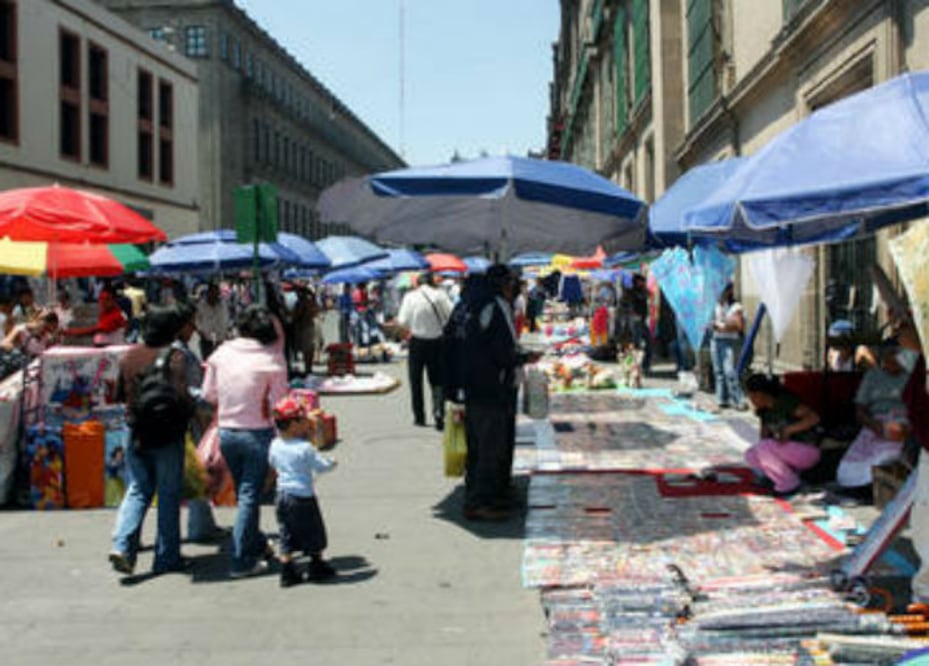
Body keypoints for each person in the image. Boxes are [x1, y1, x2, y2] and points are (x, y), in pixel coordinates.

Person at [201, 304, 289, 578]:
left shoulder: (221, 353)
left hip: (227, 432)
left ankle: (257, 544)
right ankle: (240, 561)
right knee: (250, 497)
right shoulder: (272, 360)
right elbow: (280, 404)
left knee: (244, 494)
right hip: (257, 433)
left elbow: (208, 394)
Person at [109, 305, 193, 575]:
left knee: (138, 488)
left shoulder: (129, 356)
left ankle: (122, 545)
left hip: (135, 430)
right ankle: (167, 557)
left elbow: (119, 395)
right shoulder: (176, 356)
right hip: (168, 434)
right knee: (168, 495)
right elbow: (181, 395)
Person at [463, 265, 539, 520]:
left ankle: (494, 493)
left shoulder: (477, 304)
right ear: (504, 285)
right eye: (512, 283)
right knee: (488, 447)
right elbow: (500, 352)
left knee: (487, 445)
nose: (514, 288)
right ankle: (479, 502)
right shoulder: (492, 307)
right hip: (489, 388)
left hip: (479, 386)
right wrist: (524, 357)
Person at [268, 396, 337, 587]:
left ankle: (287, 570)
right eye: (303, 419)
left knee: (286, 532)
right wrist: (332, 462)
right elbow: (320, 466)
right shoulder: (304, 448)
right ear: (292, 424)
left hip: (282, 495)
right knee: (313, 531)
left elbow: (272, 463)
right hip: (302, 497)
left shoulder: (275, 444)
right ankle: (316, 565)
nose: (307, 422)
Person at [172, 302, 225, 542]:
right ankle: (199, 527)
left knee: (195, 475)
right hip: (187, 418)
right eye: (191, 323)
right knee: (194, 473)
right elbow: (186, 390)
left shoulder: (175, 350)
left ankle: (203, 524)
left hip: (184, 418)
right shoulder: (179, 353)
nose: (194, 328)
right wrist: (207, 402)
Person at [835, 341, 914, 490]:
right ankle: (867, 483)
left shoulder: (910, 377)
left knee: (896, 454)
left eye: (897, 355)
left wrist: (907, 427)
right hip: (877, 423)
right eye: (890, 356)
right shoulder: (873, 376)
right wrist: (876, 426)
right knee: (849, 467)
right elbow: (860, 410)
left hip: (904, 423)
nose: (894, 360)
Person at [743, 373, 822, 497]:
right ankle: (779, 476)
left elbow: (814, 418)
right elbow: (763, 438)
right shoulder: (764, 411)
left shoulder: (785, 402)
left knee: (763, 447)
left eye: (753, 396)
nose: (751, 400)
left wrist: (789, 430)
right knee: (751, 454)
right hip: (788, 450)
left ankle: (789, 483)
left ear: (761, 394)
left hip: (808, 450)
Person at [397, 271, 453, 430]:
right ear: (431, 282)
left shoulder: (410, 297)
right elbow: (451, 315)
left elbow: (402, 321)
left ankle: (419, 416)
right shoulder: (440, 295)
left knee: (416, 381)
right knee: (437, 381)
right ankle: (438, 412)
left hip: (417, 342)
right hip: (437, 341)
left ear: (418, 283)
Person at [711, 283, 747, 410]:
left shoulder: (735, 307)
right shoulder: (714, 305)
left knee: (729, 371)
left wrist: (723, 327)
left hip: (730, 342)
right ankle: (722, 398)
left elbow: (739, 326)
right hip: (716, 340)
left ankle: (738, 399)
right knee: (718, 371)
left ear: (729, 291)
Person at [0, 310, 59, 379]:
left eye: (50, 330)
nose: (46, 331)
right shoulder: (21, 329)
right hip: (16, 364)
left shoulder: (47, 339)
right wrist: (10, 346)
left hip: (29, 370)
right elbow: (5, 343)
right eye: (45, 325)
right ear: (37, 320)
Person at [63, 286, 127, 346]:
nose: (103, 302)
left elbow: (95, 330)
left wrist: (71, 332)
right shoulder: (104, 313)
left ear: (114, 300)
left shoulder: (118, 315)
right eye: (101, 299)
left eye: (107, 299)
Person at [195, 283, 229, 360]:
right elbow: (197, 319)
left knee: (220, 361)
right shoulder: (201, 305)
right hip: (206, 339)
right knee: (207, 360)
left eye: (216, 293)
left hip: (220, 338)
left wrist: (226, 332)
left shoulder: (223, 304)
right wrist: (200, 331)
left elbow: (226, 318)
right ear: (208, 293)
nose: (214, 296)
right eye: (212, 293)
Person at [291, 284, 320, 373]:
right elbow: (316, 312)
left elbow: (296, 315)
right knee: (309, 349)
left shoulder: (301, 302)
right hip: (310, 326)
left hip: (303, 327)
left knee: (306, 350)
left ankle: (308, 369)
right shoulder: (312, 301)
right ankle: (309, 368)